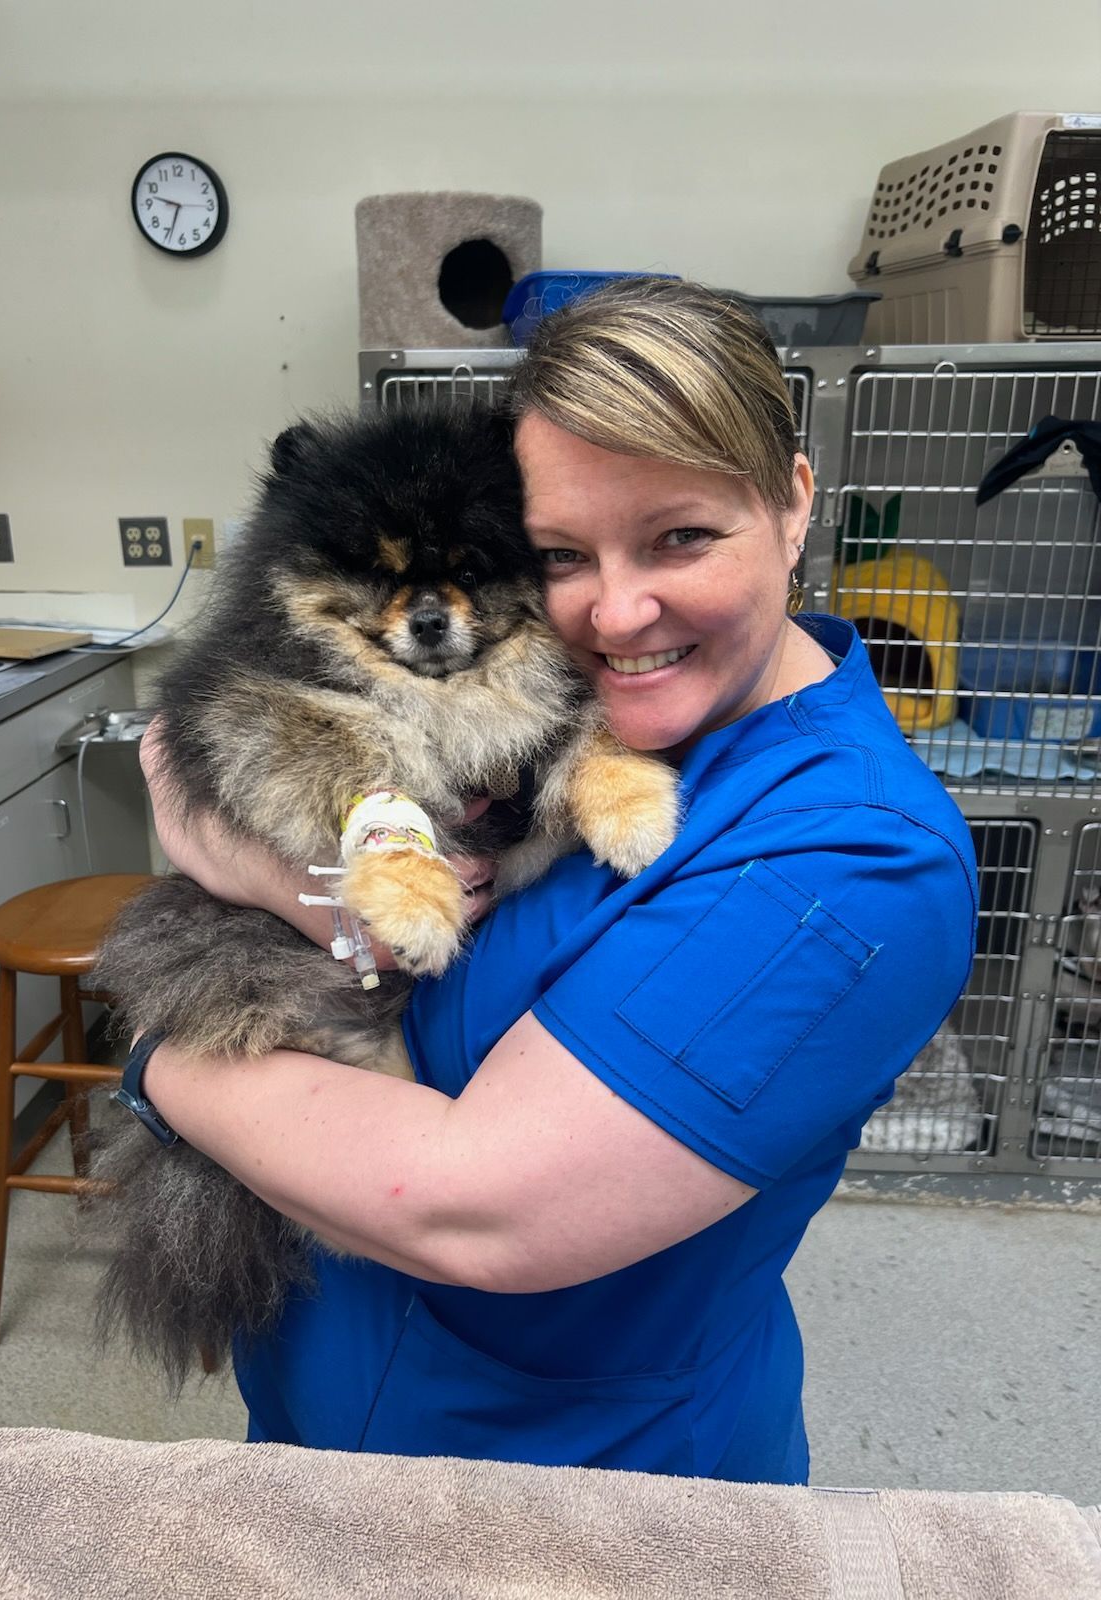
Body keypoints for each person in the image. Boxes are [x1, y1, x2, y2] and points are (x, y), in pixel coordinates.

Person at [136, 278, 978, 1483]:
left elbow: (470, 1207)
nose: (617, 610)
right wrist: (295, 891)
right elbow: (193, 738)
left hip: (574, 1492)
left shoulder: (848, 869)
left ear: (794, 505)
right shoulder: (580, 704)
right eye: (563, 554)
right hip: (331, 1416)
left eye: (682, 536)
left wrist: (164, 1063)